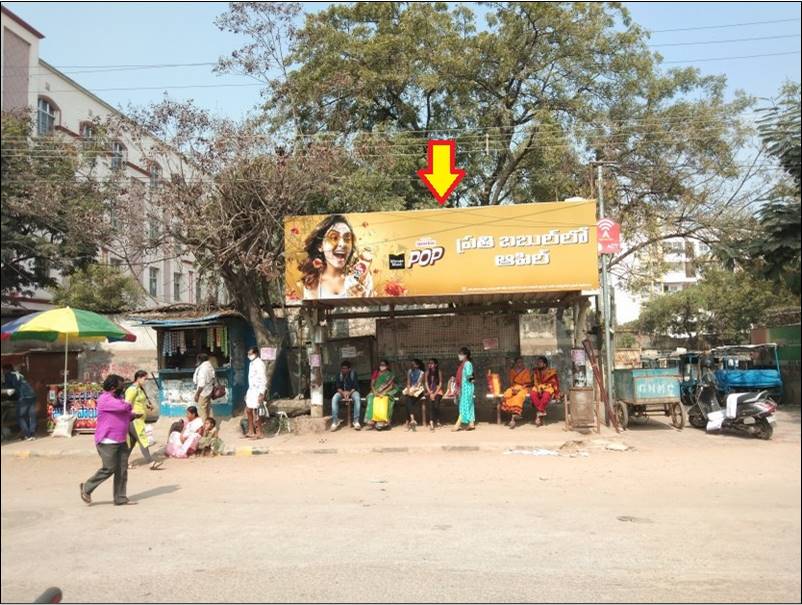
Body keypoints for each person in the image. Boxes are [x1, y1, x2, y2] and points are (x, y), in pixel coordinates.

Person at [80, 374, 137, 506]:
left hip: (121, 439)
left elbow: (126, 413)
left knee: (122, 470)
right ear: (112, 387)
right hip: (107, 441)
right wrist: (128, 402)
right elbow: (124, 407)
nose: (122, 388)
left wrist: (133, 416)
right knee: (109, 468)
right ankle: (86, 487)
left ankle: (120, 498)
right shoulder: (105, 399)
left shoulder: (117, 399)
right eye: (121, 386)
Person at [298, 214, 374, 300]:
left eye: (347, 238)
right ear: (320, 246)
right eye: (334, 238)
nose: (343, 244)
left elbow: (372, 310)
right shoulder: (311, 281)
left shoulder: (361, 277)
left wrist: (360, 302)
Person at [124, 370, 163, 470]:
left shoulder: (140, 389)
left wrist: (147, 406)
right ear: (138, 378)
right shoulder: (132, 390)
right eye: (145, 379)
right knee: (143, 439)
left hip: (139, 420)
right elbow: (126, 404)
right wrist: (132, 414)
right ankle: (150, 462)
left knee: (132, 443)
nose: (146, 381)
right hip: (135, 420)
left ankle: (122, 462)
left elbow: (139, 402)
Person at [3, 364, 37, 441]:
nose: (3, 372)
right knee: (31, 415)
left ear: (6, 370)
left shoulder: (8, 375)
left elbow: (9, 389)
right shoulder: (18, 373)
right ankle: (32, 434)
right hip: (31, 394)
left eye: (3, 370)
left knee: (20, 417)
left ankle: (27, 435)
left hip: (23, 396)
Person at [364, 360, 398, 430]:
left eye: (383, 365)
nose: (382, 366)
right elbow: (372, 384)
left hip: (386, 392)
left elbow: (391, 386)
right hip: (376, 391)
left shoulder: (390, 374)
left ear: (387, 366)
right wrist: (375, 392)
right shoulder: (376, 373)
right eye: (381, 365)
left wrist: (384, 392)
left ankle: (383, 421)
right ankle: (371, 420)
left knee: (386, 400)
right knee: (371, 397)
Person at [500, 357, 533, 429]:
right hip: (514, 387)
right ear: (515, 363)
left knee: (519, 396)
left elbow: (528, 383)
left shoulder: (526, 371)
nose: (519, 364)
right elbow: (511, 383)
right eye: (518, 362)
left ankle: (515, 414)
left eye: (521, 362)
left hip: (524, 388)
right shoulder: (512, 371)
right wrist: (513, 389)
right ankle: (513, 415)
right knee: (507, 393)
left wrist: (519, 389)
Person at [331, 360, 362, 431]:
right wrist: (344, 394)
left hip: (352, 391)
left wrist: (349, 394)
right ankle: (335, 421)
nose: (343, 370)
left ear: (349, 369)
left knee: (357, 397)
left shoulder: (353, 374)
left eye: (345, 368)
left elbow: (355, 387)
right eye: (342, 368)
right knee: (334, 398)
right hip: (342, 392)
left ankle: (356, 421)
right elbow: (338, 388)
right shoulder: (339, 375)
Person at [530, 356, 560, 426]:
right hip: (539, 386)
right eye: (538, 362)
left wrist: (545, 387)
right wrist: (538, 388)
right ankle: (541, 411)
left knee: (546, 395)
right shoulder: (536, 371)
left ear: (545, 364)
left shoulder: (551, 371)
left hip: (548, 387)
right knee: (532, 393)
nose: (538, 364)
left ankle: (539, 412)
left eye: (540, 362)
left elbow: (554, 382)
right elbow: (535, 382)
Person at [244, 347, 267, 439]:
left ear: (256, 353)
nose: (249, 355)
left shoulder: (259, 363)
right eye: (248, 354)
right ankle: (251, 431)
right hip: (251, 390)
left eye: (251, 353)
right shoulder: (251, 364)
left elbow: (263, 379)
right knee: (248, 410)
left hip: (258, 390)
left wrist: (262, 393)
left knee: (258, 411)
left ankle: (259, 432)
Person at [453, 347, 476, 431]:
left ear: (465, 355)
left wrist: (472, 382)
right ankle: (471, 424)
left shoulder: (467, 364)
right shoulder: (463, 364)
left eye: (461, 354)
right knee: (469, 405)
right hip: (465, 387)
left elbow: (470, 375)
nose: (459, 356)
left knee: (463, 406)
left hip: (467, 387)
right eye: (459, 354)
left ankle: (458, 424)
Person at [402, 359, 425, 431]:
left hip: (418, 390)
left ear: (418, 365)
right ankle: (412, 420)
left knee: (407, 401)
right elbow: (408, 382)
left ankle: (408, 421)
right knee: (408, 399)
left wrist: (413, 390)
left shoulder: (421, 373)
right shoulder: (409, 371)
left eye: (414, 364)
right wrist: (408, 390)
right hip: (411, 389)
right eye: (411, 364)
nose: (412, 365)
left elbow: (419, 383)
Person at [193, 353, 216, 420]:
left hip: (203, 392)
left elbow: (201, 384)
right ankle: (211, 427)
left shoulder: (203, 369)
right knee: (208, 409)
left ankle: (204, 428)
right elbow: (213, 377)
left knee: (202, 412)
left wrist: (197, 394)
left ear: (200, 360)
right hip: (209, 390)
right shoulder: (209, 366)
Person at [424, 358, 444, 431]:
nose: (430, 365)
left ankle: (437, 419)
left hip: (438, 391)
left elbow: (440, 383)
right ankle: (432, 421)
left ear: (436, 364)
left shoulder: (439, 372)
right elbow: (426, 383)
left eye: (432, 363)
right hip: (430, 391)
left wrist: (435, 394)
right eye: (429, 363)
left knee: (436, 404)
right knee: (431, 404)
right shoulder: (427, 373)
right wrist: (430, 392)